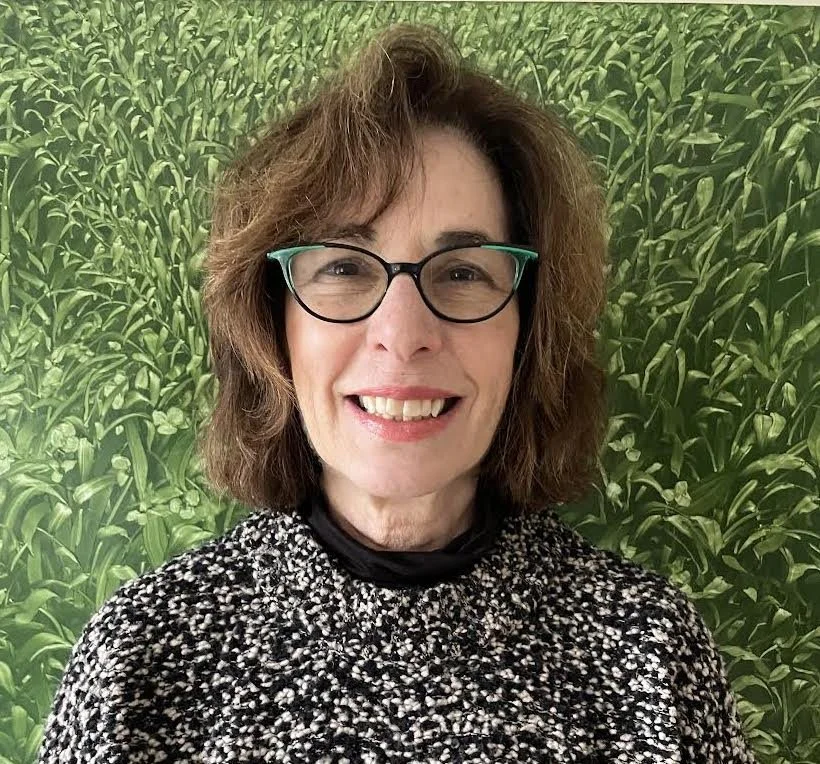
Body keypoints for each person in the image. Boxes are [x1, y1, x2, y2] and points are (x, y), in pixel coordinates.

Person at [37, 22, 757, 763]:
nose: (402, 334)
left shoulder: (648, 655)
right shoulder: (143, 660)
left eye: (464, 271)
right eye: (345, 267)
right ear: (271, 325)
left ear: (527, 328)